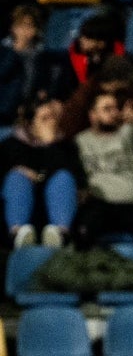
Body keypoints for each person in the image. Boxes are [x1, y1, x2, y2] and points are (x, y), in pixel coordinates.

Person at [74, 90, 133, 246]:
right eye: (107, 109)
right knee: (82, 233)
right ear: (93, 114)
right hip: (100, 203)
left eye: (115, 108)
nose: (114, 113)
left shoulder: (128, 132)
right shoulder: (81, 141)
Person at [2, 96, 82, 247]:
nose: (51, 122)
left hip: (54, 200)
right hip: (23, 199)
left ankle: (60, 235)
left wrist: (50, 144)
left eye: (52, 117)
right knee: (16, 178)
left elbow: (73, 174)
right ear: (30, 124)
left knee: (63, 177)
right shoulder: (11, 144)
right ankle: (17, 234)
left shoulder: (66, 145)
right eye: (44, 118)